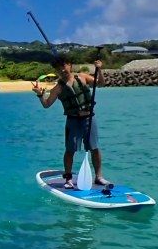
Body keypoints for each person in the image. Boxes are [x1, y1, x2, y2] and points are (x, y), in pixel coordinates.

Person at [31, 56, 108, 189]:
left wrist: (99, 69)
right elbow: (47, 104)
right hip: (73, 121)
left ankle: (99, 177)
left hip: (89, 118)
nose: (62, 69)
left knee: (94, 148)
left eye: (64, 66)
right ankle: (68, 179)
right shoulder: (58, 88)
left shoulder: (83, 77)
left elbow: (100, 83)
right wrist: (39, 95)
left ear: (70, 65)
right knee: (70, 150)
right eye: (58, 68)